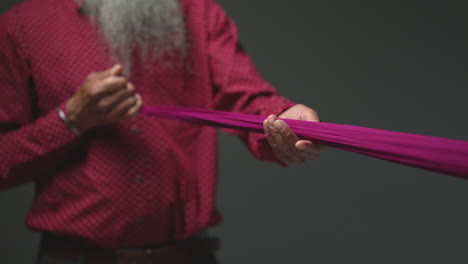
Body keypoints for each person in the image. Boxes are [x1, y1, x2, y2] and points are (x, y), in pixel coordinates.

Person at [0, 0, 324, 263]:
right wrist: (69, 120)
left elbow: (246, 97)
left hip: (184, 256)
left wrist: (284, 119)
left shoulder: (199, 12)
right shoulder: (23, 25)